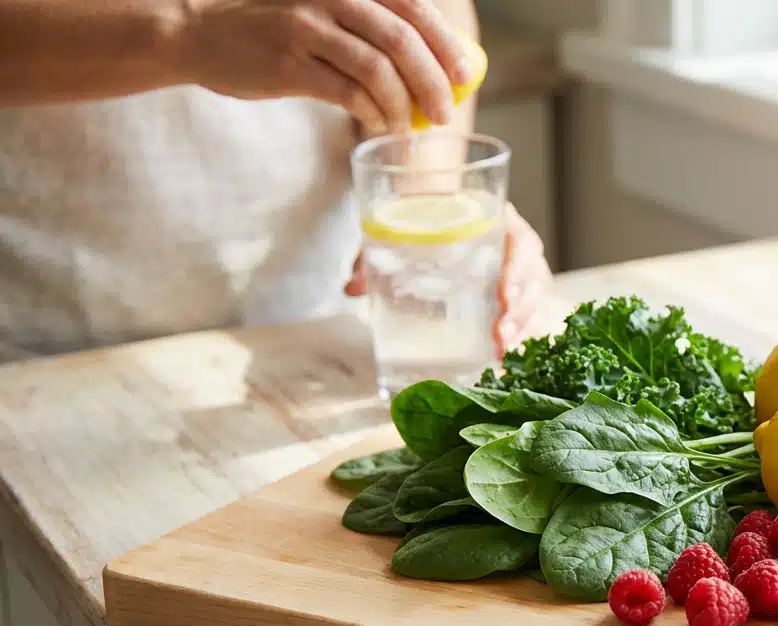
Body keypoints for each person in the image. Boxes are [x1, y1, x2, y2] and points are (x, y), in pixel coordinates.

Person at [0, 0, 552, 363]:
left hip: (319, 334)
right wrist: (183, 33)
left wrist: (424, 188)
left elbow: (426, 20)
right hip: (48, 352)